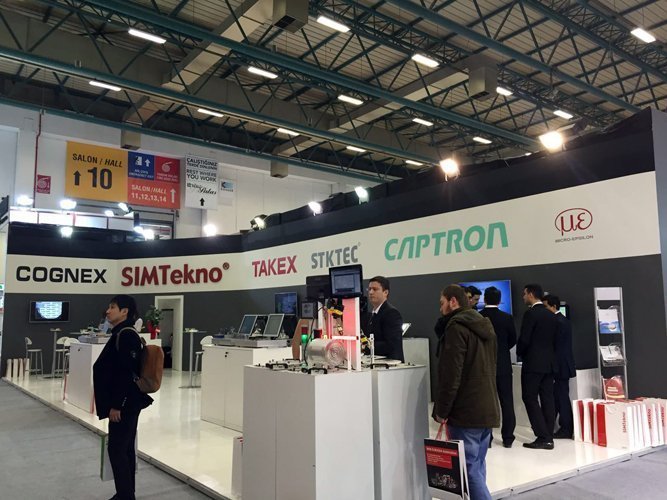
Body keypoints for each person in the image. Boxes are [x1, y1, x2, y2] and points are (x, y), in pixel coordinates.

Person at [433, 284, 499, 500]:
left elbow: (451, 375)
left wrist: (442, 411)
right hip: (487, 407)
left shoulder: (456, 328)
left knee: (468, 471)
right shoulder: (485, 326)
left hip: (465, 411)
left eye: (442, 303)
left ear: (453, 301)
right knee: (477, 466)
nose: (440, 308)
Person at [93, 295, 153, 500]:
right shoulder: (121, 333)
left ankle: (125, 495)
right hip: (127, 401)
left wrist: (117, 405)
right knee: (124, 449)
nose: (108, 311)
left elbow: (125, 373)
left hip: (125, 403)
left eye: (112, 307)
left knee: (117, 450)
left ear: (125, 311)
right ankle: (126, 494)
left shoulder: (126, 335)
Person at [518, 284, 558, 450]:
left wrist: (520, 353)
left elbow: (524, 339)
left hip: (533, 363)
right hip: (549, 364)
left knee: (530, 398)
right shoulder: (551, 315)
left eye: (524, 294)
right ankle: (548, 434)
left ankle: (543, 436)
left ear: (531, 294)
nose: (523, 297)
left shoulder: (530, 314)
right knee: (548, 398)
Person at [479, 286, 517, 448]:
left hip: (484, 366)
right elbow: (512, 340)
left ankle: (487, 438)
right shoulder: (507, 318)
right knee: (507, 401)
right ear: (499, 300)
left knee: (486, 402)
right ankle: (508, 438)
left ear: (484, 299)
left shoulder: (478, 317)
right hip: (503, 365)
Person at [543, 294, 576, 439]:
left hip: (560, 365)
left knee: (561, 396)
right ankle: (555, 425)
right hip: (563, 364)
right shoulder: (563, 321)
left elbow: (555, 346)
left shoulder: (557, 322)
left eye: (546, 307)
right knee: (559, 395)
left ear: (554, 306)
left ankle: (566, 427)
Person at [366, 276, 404, 362]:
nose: (371, 292)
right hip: (378, 363)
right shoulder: (373, 314)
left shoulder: (391, 313)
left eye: (375, 289)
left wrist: (367, 346)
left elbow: (391, 345)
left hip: (391, 365)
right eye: (369, 289)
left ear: (385, 292)